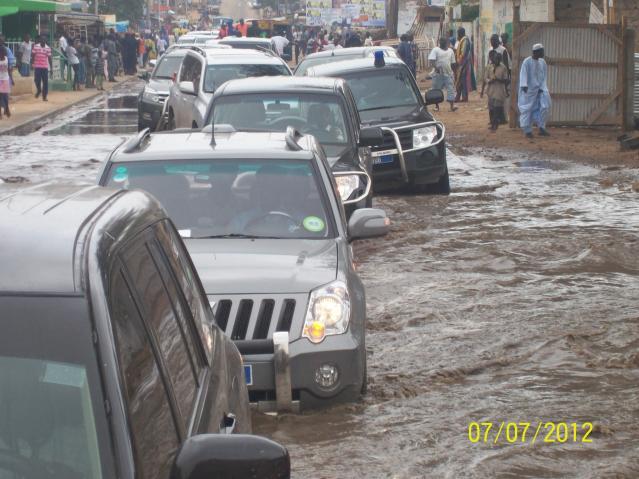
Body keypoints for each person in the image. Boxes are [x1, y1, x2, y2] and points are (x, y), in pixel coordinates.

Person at [518, 43, 551, 138]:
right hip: (528, 91)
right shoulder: (527, 62)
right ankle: (527, 130)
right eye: (542, 51)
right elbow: (523, 74)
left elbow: (544, 76)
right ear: (536, 52)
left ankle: (542, 127)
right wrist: (524, 85)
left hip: (540, 89)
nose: (543, 53)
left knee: (545, 106)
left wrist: (542, 87)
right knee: (527, 109)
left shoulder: (543, 62)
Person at [481, 50, 508, 131]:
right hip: (491, 91)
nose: (495, 61)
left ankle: (495, 125)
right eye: (494, 59)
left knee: (497, 109)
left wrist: (498, 80)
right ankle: (492, 123)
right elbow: (485, 78)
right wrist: (490, 81)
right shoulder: (489, 67)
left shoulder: (503, 68)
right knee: (491, 109)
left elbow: (506, 80)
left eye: (497, 60)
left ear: (499, 60)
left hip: (499, 91)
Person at [429, 37, 457, 112]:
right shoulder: (435, 50)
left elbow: (453, 63)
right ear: (440, 43)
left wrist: (455, 72)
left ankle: (452, 106)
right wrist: (436, 68)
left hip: (448, 73)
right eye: (442, 42)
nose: (444, 43)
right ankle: (436, 106)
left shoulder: (450, 51)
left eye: (445, 42)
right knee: (436, 90)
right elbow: (432, 60)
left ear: (447, 43)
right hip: (438, 74)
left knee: (450, 89)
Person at [454, 27, 476, 102]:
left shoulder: (465, 40)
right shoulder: (463, 40)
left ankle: (464, 97)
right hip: (462, 63)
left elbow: (463, 53)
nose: (457, 35)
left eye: (458, 33)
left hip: (464, 64)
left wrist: (458, 62)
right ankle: (459, 97)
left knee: (463, 80)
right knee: (460, 80)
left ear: (461, 33)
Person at [31, 35, 51, 101]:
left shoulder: (48, 48)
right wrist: (32, 63)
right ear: (40, 40)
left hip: (45, 67)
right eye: (42, 39)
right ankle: (39, 90)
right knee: (36, 80)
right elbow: (33, 55)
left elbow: (49, 58)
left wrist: (51, 68)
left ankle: (44, 96)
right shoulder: (36, 46)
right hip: (37, 67)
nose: (43, 40)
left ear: (45, 40)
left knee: (45, 82)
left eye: (44, 39)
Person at [0, 46, 12, 118]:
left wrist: (11, 79)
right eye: (3, 51)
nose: (5, 52)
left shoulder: (7, 59)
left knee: (5, 96)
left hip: (6, 79)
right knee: (0, 96)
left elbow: (8, 70)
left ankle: (6, 108)